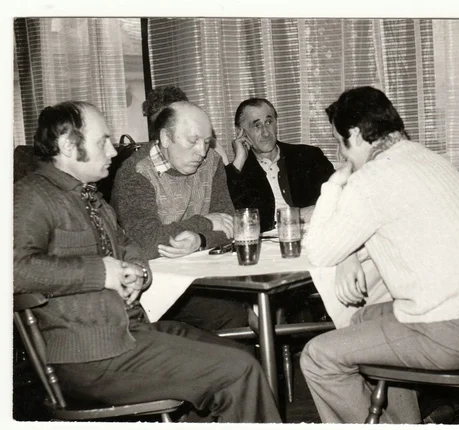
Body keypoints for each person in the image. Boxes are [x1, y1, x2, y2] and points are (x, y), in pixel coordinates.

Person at [13, 101, 281, 423]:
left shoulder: (88, 195)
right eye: (102, 142)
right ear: (69, 146)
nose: (113, 151)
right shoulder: (32, 195)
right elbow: (13, 270)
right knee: (238, 371)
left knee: (240, 354)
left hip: (129, 331)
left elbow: (127, 242)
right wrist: (100, 273)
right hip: (89, 355)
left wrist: (138, 270)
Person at [299, 86, 459, 424]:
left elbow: (319, 251)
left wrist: (334, 184)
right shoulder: (427, 159)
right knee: (362, 318)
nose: (342, 154)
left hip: (452, 332)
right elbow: (372, 232)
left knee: (318, 357)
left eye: (340, 143)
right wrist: (348, 255)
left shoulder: (374, 177)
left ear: (354, 135)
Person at [112, 100, 248, 331]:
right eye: (193, 141)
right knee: (236, 314)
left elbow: (230, 225)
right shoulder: (136, 174)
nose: (202, 151)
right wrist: (204, 222)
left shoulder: (212, 162)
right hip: (155, 284)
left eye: (206, 142)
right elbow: (147, 244)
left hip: (203, 273)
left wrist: (200, 240)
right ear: (165, 138)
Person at [225, 98, 335, 232]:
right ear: (240, 132)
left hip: (313, 236)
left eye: (269, 122)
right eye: (257, 125)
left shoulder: (308, 156)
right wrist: (239, 160)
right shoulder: (238, 172)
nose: (266, 132)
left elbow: (339, 196)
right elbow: (231, 216)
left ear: (276, 123)